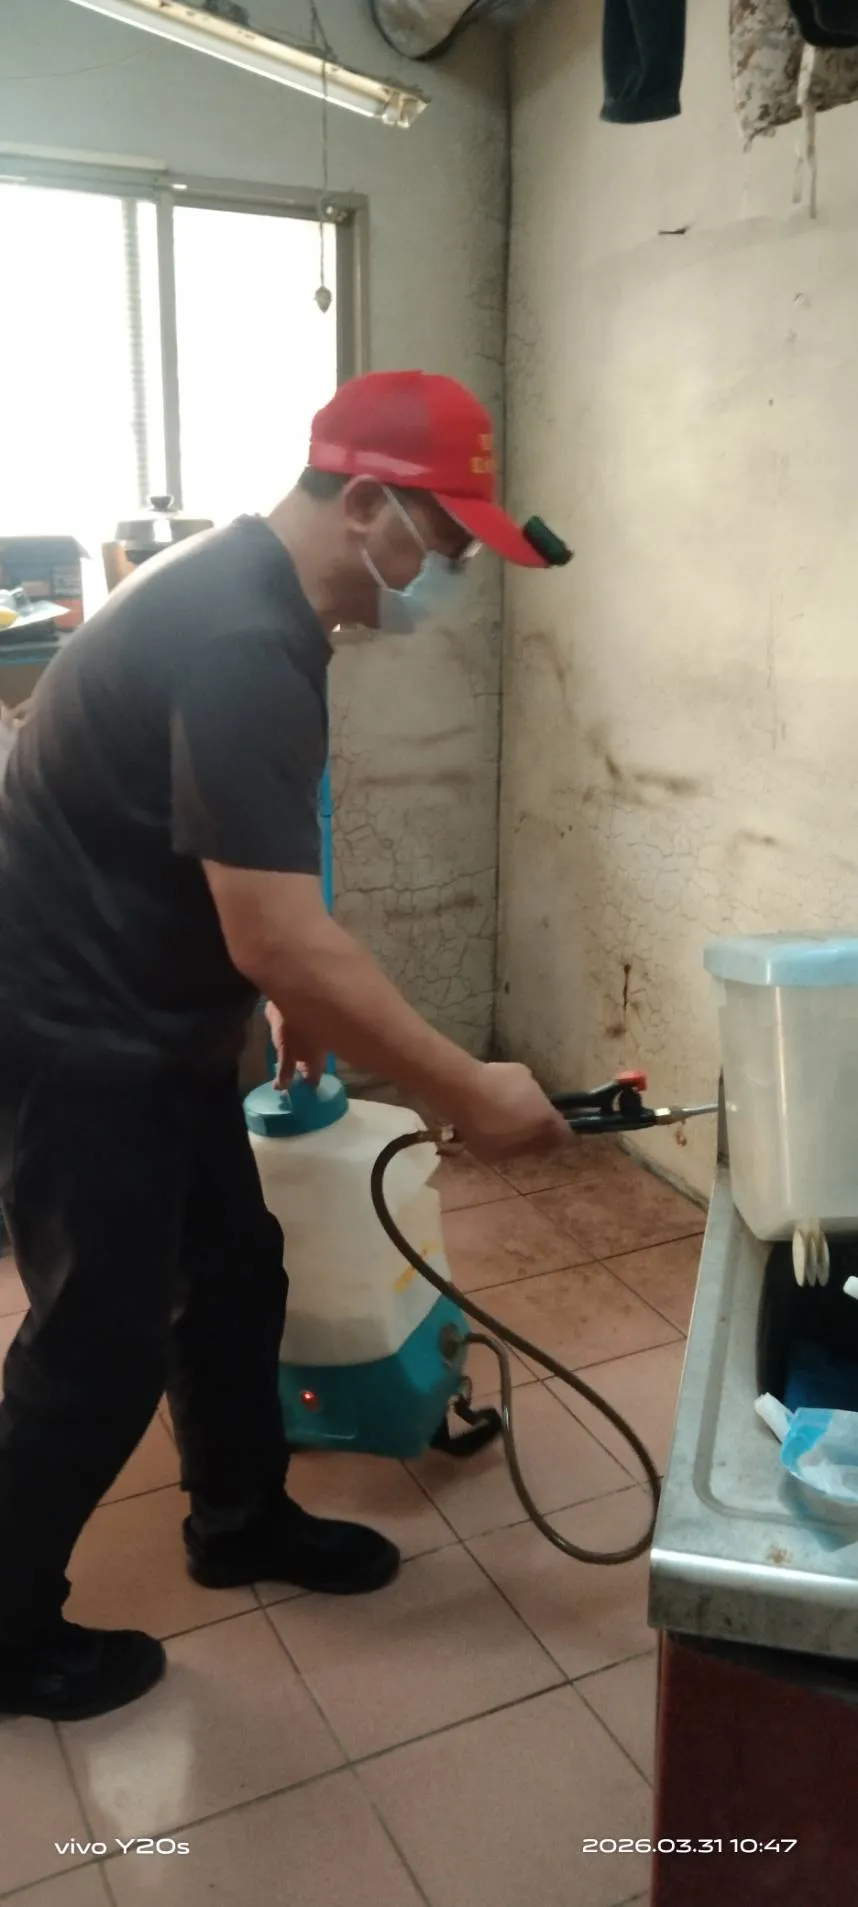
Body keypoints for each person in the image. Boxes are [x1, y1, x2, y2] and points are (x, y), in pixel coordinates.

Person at [0, 369, 570, 1724]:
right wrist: (463, 1086)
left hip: (149, 1012)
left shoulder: (257, 599)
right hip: (75, 1030)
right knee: (97, 1339)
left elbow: (249, 872)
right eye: (440, 544)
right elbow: (272, 930)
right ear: (364, 501)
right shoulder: (242, 636)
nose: (442, 579)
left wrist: (292, 998)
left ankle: (240, 1516)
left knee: (232, 1269)